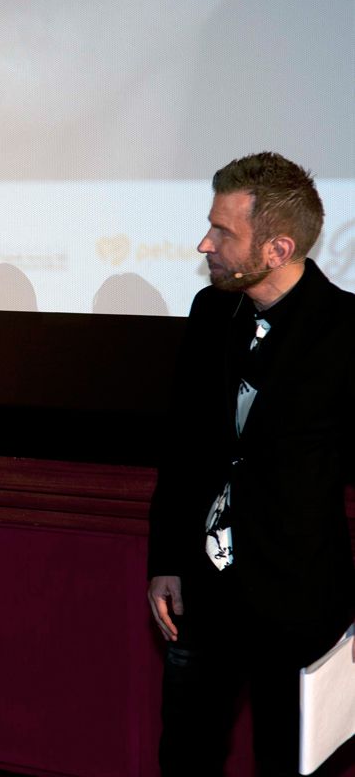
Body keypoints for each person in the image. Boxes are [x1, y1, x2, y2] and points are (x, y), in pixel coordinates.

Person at [146, 153, 355, 774]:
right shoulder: (209, 312)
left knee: (288, 763)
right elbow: (182, 447)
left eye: (223, 231)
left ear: (277, 248)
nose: (204, 243)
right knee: (185, 757)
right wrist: (165, 560)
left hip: (299, 603)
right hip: (203, 597)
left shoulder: (347, 331)